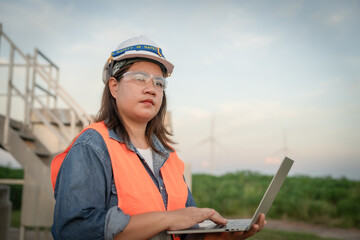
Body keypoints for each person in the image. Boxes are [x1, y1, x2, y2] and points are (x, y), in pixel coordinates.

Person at [50, 35, 266, 240]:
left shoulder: (168, 156)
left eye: (159, 83)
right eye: (140, 78)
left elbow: (186, 232)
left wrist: (225, 236)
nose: (151, 89)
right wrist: (167, 219)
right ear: (114, 87)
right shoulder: (92, 146)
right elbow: (74, 230)